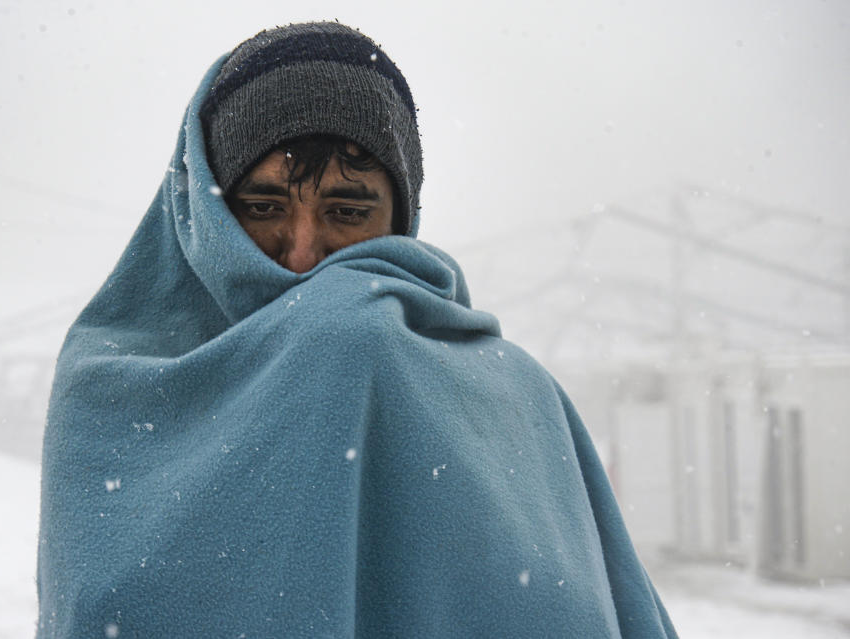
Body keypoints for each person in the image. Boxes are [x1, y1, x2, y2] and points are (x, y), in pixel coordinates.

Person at [36, 22, 678, 638]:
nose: (303, 253)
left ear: (402, 218)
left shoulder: (517, 399)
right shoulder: (109, 390)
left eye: (346, 211)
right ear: (203, 209)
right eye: (262, 208)